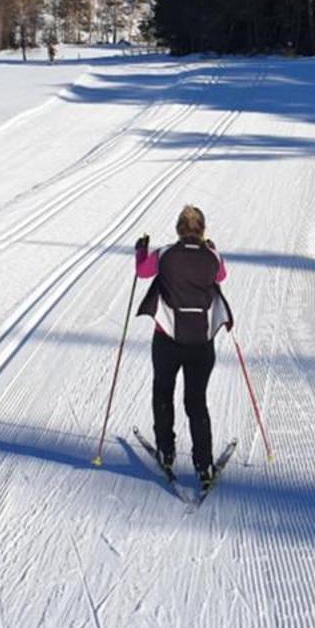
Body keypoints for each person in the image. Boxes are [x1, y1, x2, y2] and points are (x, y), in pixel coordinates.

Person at [135, 204, 232, 486]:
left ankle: (166, 450)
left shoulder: (164, 254)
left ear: (179, 229)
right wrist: (210, 249)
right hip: (201, 342)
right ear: (202, 230)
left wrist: (141, 249)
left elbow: (142, 271)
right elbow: (221, 276)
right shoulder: (212, 256)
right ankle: (204, 465)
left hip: (166, 338)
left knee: (163, 392)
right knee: (196, 401)